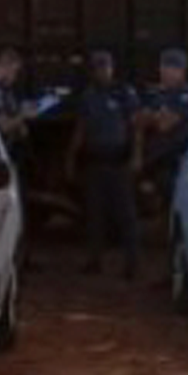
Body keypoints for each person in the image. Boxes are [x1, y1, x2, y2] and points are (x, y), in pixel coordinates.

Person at [65, 49, 141, 279]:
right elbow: (81, 128)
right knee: (94, 215)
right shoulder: (89, 96)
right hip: (95, 161)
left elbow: (136, 127)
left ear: (112, 68)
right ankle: (94, 260)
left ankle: (132, 264)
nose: (103, 71)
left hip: (118, 161)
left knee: (125, 215)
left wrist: (137, 156)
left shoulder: (124, 94)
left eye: (106, 67)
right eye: (98, 68)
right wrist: (70, 157)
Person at [139, 47, 188, 210]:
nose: (167, 72)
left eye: (173, 68)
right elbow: (137, 121)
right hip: (154, 163)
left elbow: (164, 125)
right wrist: (157, 115)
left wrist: (152, 116)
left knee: (177, 212)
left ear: (182, 71)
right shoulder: (155, 93)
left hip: (179, 165)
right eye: (164, 67)